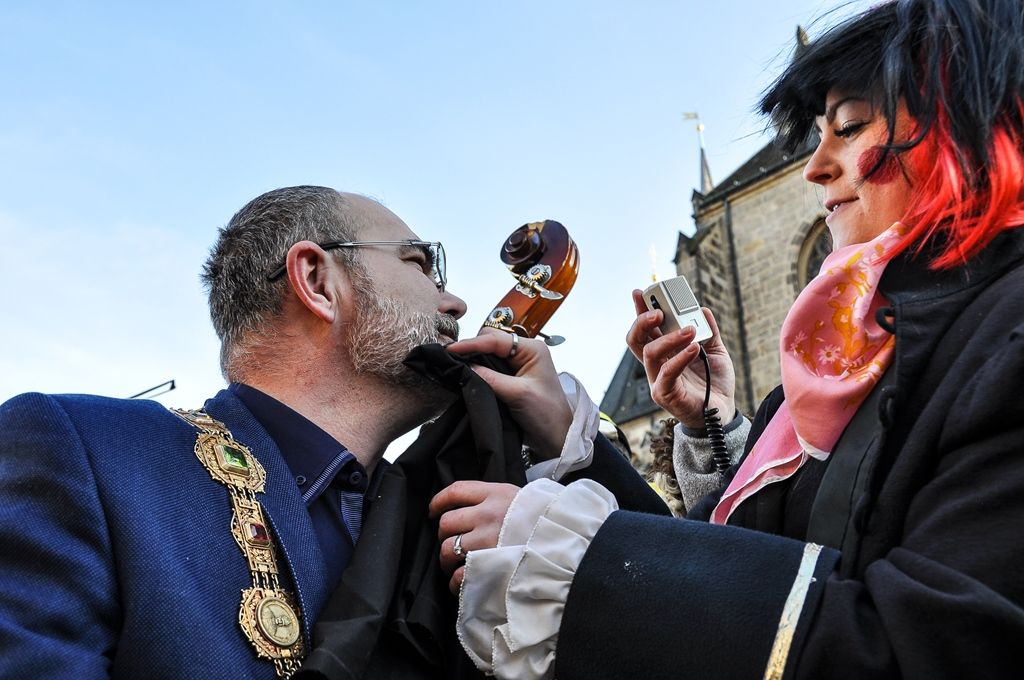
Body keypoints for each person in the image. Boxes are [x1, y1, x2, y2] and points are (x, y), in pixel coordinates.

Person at [433, 1, 1024, 677]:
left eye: (849, 128)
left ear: (966, 127)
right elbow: (726, 567)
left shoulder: (1005, 340)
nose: (814, 167)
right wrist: (608, 426)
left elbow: (926, 647)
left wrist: (587, 560)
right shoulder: (828, 381)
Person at [0, 185, 599, 679]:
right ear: (316, 280)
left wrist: (556, 440)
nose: (458, 303)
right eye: (419, 264)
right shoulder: (84, 449)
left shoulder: (460, 521)